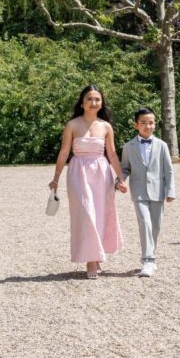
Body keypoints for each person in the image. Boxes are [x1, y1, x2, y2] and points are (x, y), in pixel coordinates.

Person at [49, 85, 124, 279]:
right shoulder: (72, 125)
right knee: (86, 212)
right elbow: (64, 152)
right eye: (89, 99)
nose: (93, 102)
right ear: (82, 103)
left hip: (101, 173)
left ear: (102, 103)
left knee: (100, 214)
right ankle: (91, 261)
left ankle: (96, 255)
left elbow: (113, 155)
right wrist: (55, 178)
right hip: (78, 172)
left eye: (97, 99)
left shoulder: (106, 126)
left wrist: (120, 178)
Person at [117, 108, 175, 278]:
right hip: (139, 192)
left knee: (155, 226)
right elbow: (125, 168)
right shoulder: (128, 147)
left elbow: (169, 171)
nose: (147, 126)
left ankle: (151, 256)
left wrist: (170, 191)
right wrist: (119, 181)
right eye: (143, 123)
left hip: (158, 191)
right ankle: (148, 260)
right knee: (145, 224)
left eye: (151, 123)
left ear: (155, 124)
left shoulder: (162, 145)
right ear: (136, 125)